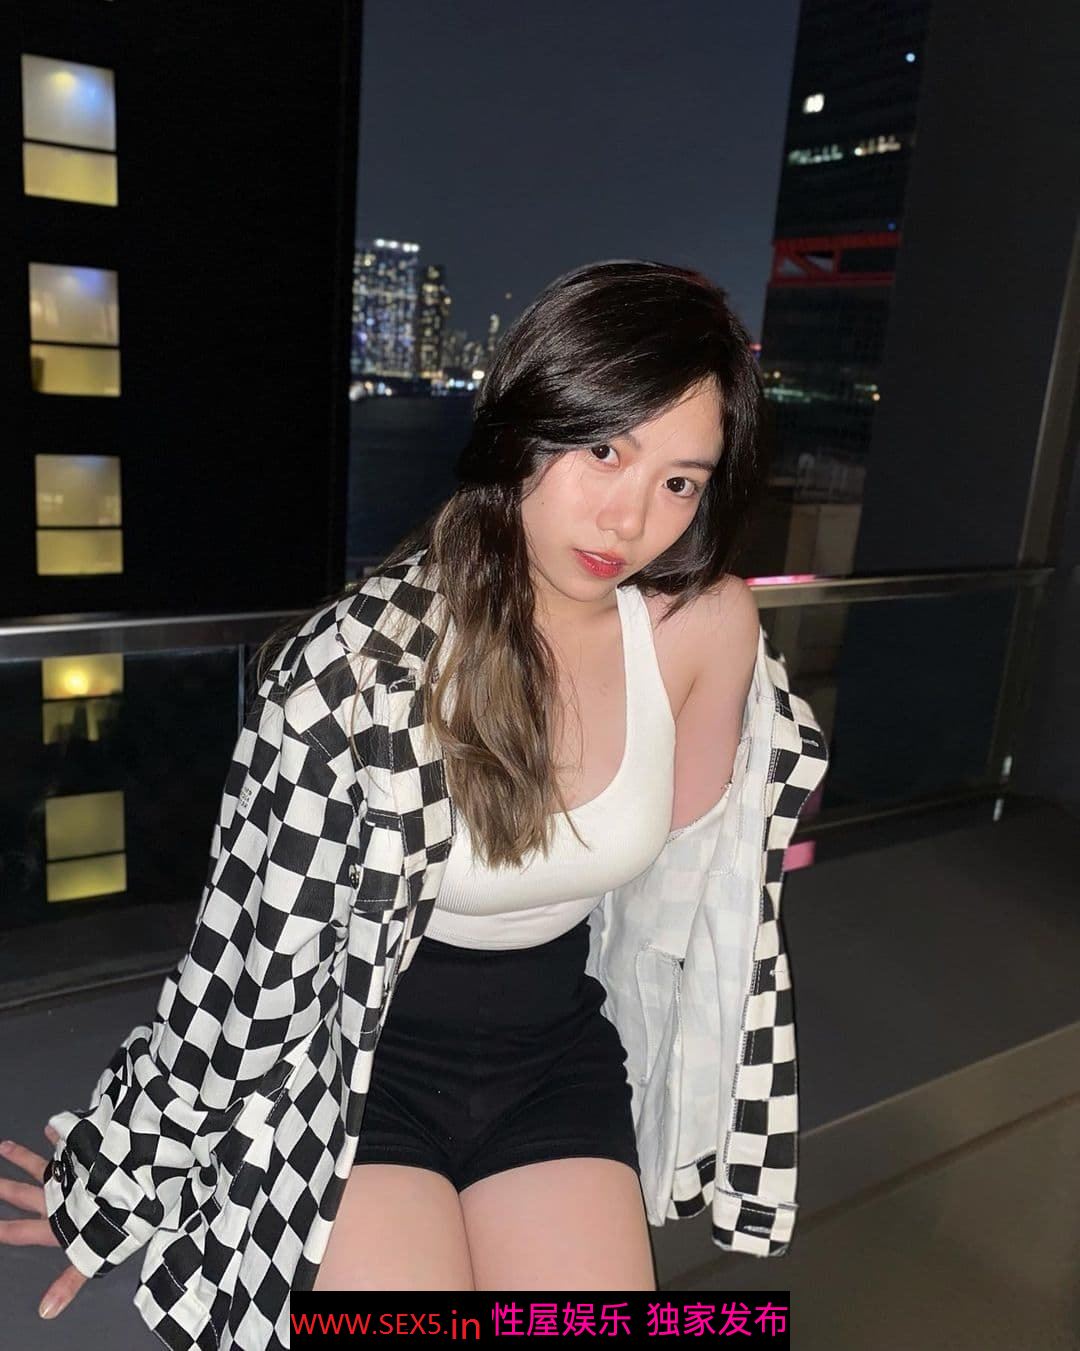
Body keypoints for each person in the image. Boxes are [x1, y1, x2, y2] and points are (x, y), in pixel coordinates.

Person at [1, 259, 828, 1345]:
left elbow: (695, 887)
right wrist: (119, 1178)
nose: (631, 516)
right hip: (357, 1067)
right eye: (603, 450)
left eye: (681, 480)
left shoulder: (705, 630)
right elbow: (242, 962)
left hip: (555, 1058)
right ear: (525, 423)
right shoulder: (358, 670)